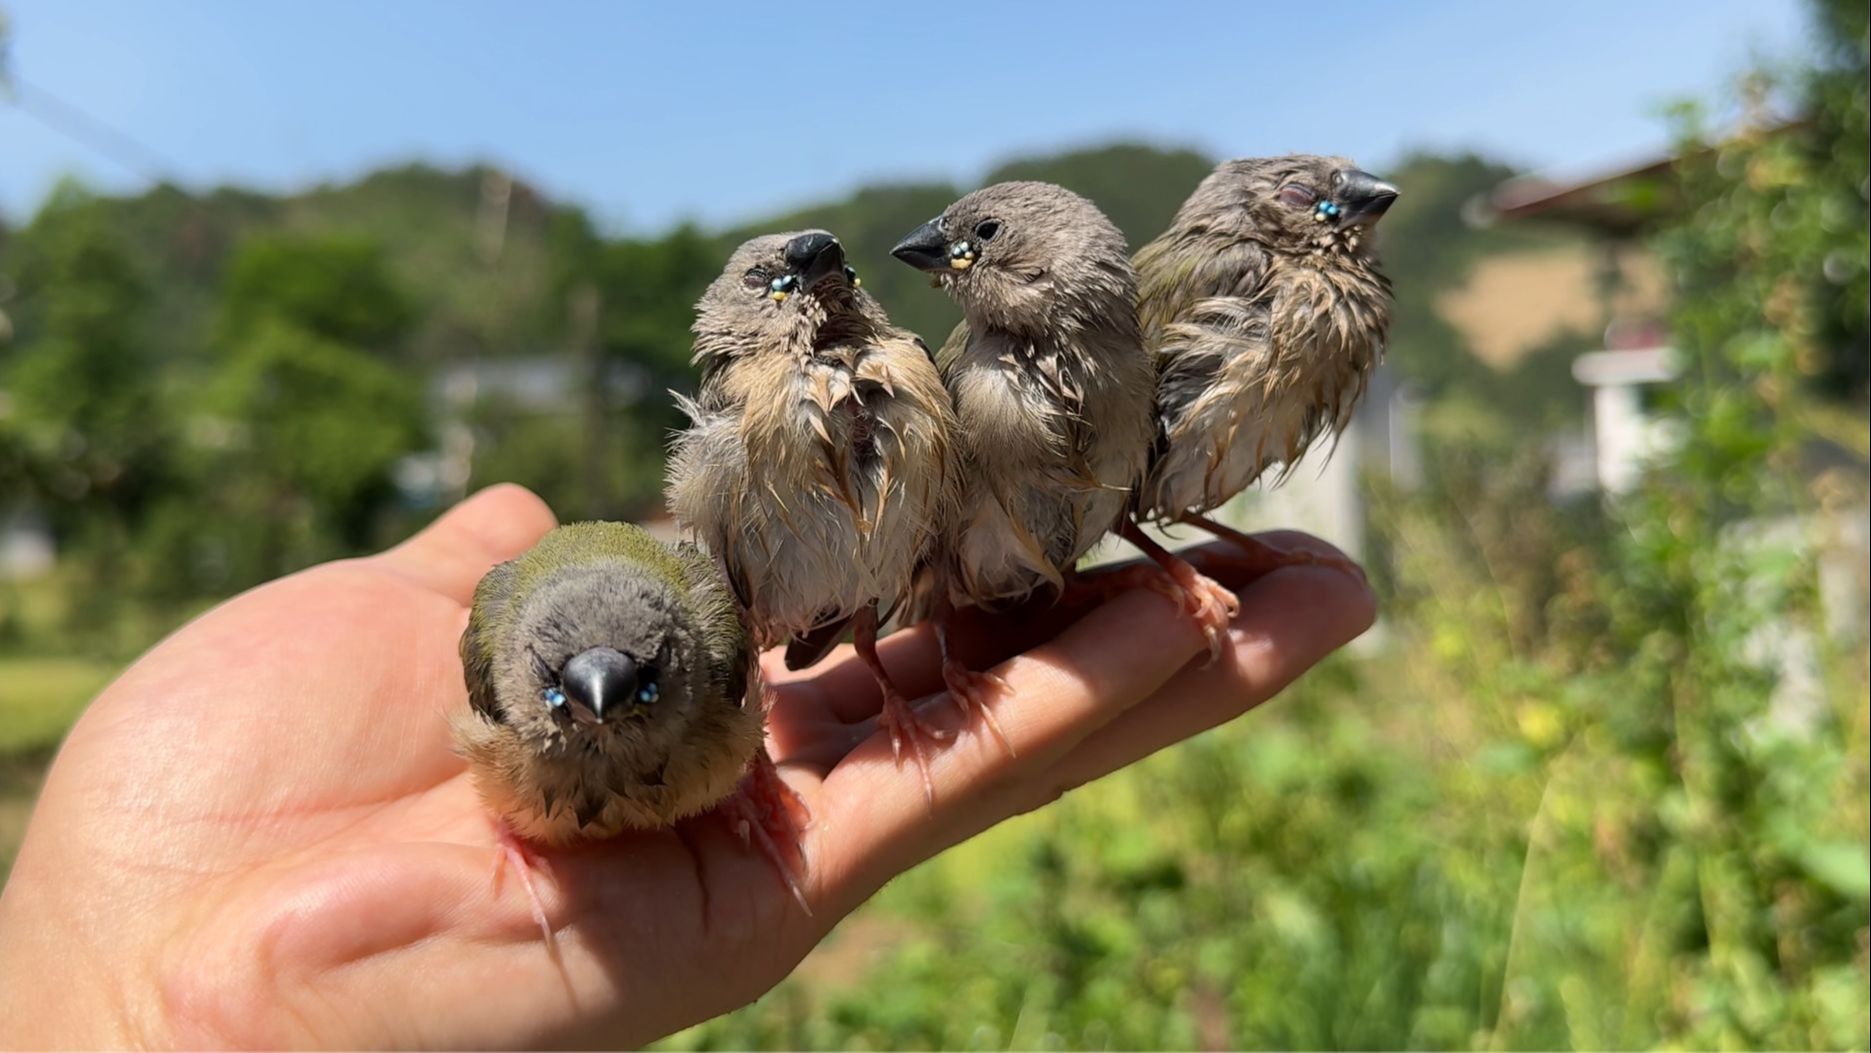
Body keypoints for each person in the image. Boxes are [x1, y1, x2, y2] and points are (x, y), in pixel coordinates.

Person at [0, 484, 1373, 1047]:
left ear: (696, 670)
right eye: (565, 702)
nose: (598, 719)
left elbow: (734, 695)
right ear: (517, 675)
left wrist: (754, 779)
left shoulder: (717, 654)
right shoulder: (506, 658)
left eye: (638, 696)